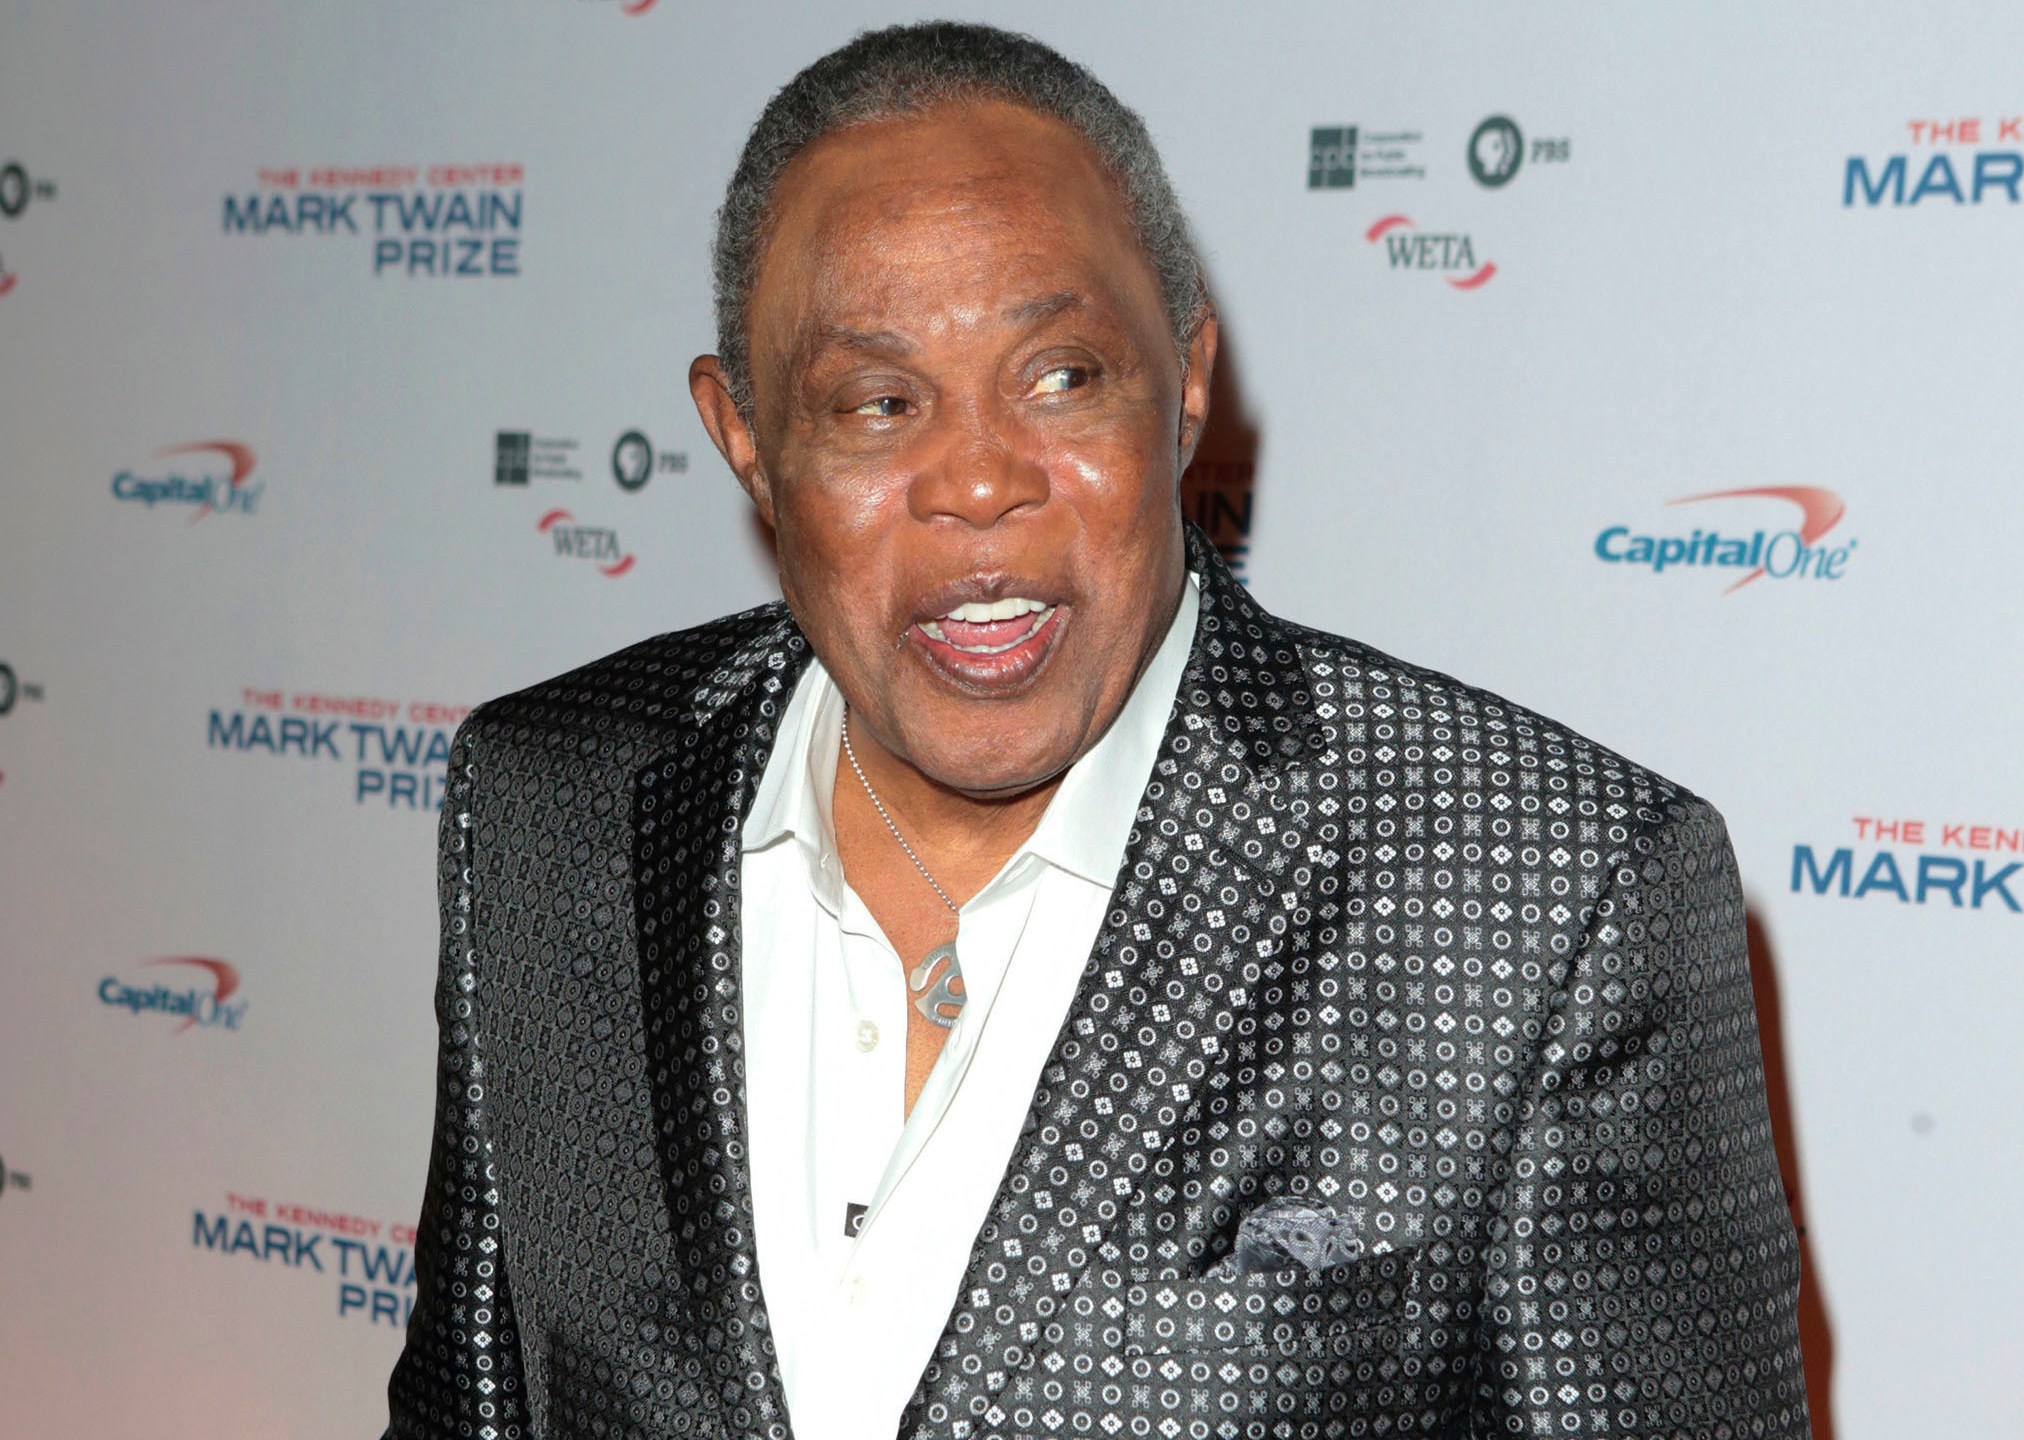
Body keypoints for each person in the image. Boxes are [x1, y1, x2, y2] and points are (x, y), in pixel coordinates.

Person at [385, 21, 1808, 1440]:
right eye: (877, 404)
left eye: (1062, 376)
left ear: (1186, 381)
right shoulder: (553, 806)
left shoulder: (1547, 898)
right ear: (746, 436)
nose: (980, 481)